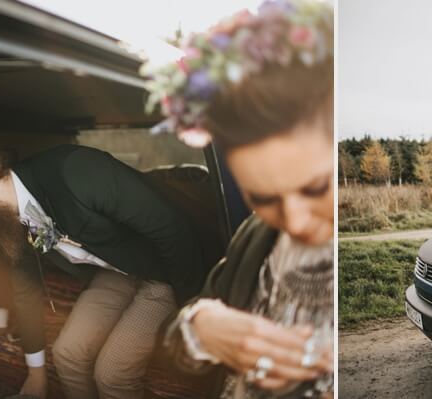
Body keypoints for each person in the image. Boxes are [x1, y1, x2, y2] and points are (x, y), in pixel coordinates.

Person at [0, 116, 215, 398]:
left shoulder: (76, 171)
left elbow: (170, 227)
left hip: (159, 267)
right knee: (67, 355)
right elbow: (26, 290)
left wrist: (189, 311)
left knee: (112, 372)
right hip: (113, 274)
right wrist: (36, 374)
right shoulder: (7, 223)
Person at [143, 1, 334, 397]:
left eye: (315, 187)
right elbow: (173, 336)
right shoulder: (255, 234)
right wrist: (202, 328)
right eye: (263, 197)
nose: (294, 221)